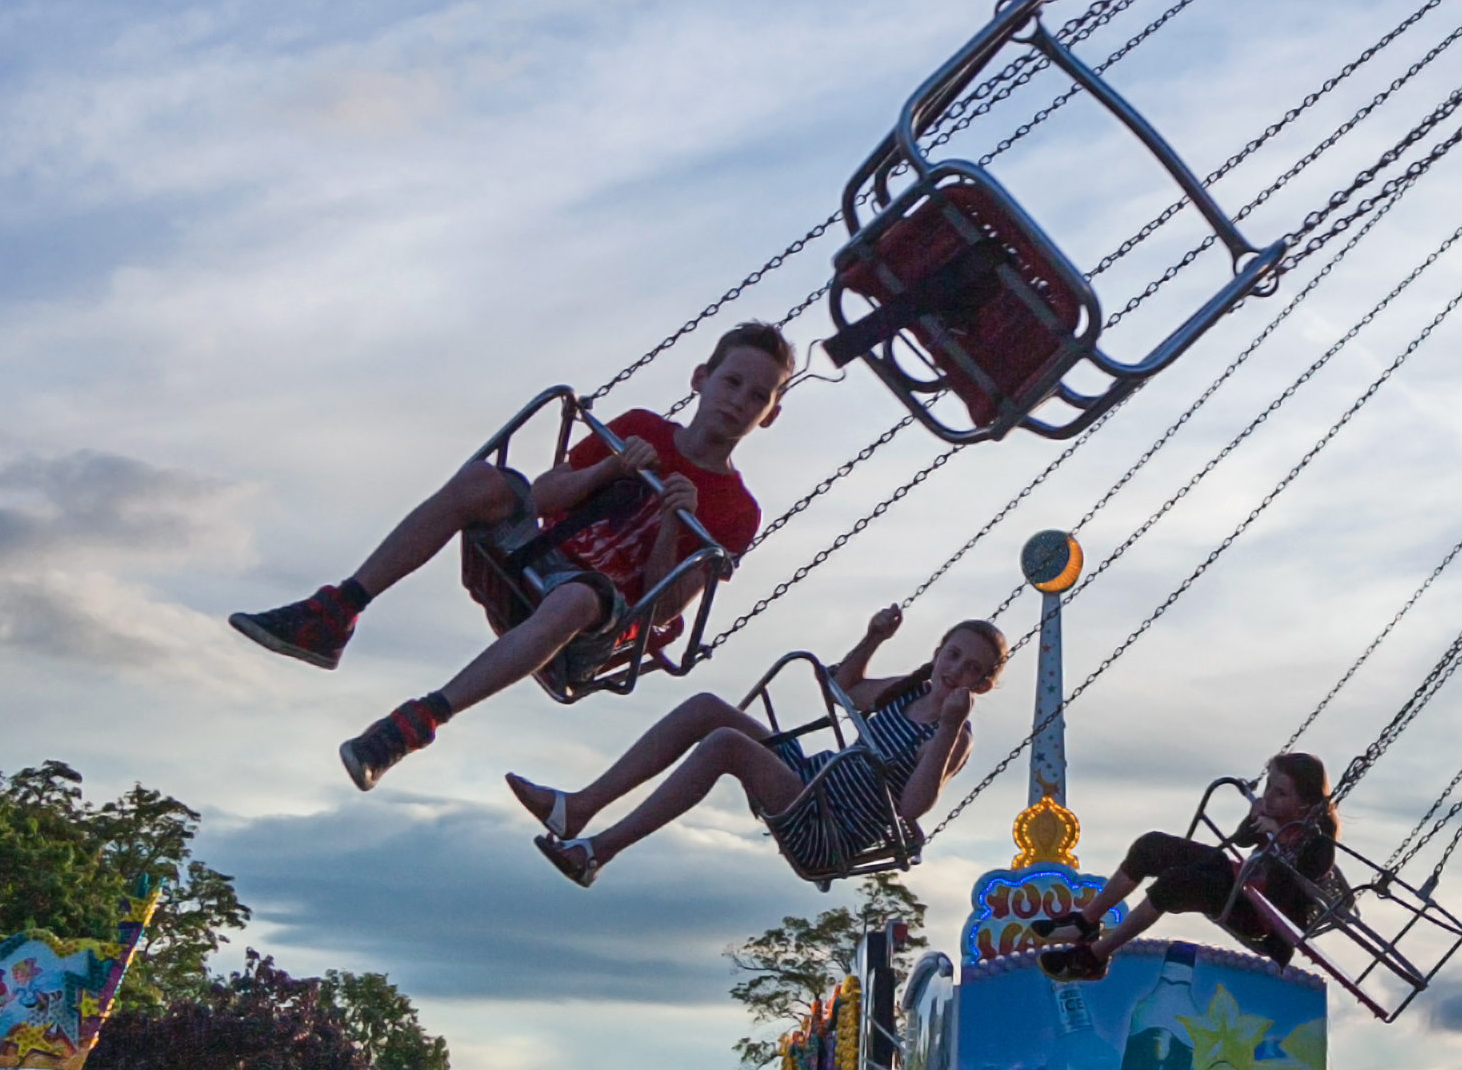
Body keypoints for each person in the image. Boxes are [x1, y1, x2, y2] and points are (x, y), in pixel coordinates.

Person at [230, 321, 795, 789]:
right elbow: (544, 497)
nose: (738, 401)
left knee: (577, 598)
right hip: (539, 557)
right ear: (701, 379)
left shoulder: (737, 512)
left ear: (769, 415)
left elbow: (663, 608)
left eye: (757, 396)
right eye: (732, 381)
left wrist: (672, 523)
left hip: (598, 620)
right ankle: (337, 611)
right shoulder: (640, 428)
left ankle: (418, 721)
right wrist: (609, 468)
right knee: (483, 480)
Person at [515, 602, 1000, 890]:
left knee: (726, 744)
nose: (955, 670)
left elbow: (912, 805)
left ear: (981, 685)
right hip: (811, 781)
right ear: (938, 652)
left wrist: (948, 728)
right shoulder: (910, 689)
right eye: (953, 655)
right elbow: (845, 690)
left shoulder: (954, 736)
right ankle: (577, 808)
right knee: (707, 708)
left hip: (827, 827)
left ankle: (597, 853)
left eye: (971, 669)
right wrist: (873, 638)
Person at [1043, 749, 1342, 979]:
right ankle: (1085, 922)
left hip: (1258, 913)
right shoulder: (1273, 812)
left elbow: (1295, 881)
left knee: (1176, 884)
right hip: (1238, 881)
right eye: (1268, 788)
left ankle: (1093, 958)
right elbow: (1241, 841)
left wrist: (1277, 835)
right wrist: (1255, 818)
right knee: (1152, 846)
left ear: (1304, 804)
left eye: (1281, 793)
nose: (1269, 798)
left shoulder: (1319, 840)